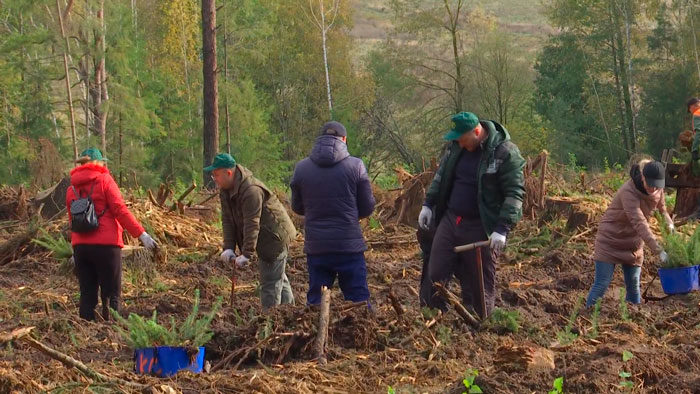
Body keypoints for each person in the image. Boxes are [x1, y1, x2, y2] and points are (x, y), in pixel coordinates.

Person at [418, 112, 525, 317]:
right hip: (451, 220)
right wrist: (428, 204)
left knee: (479, 282)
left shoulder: (505, 153)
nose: (459, 142)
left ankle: (478, 324)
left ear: (477, 132)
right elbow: (442, 176)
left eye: (462, 138)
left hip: (481, 225)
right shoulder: (457, 148)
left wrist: (502, 228)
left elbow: (515, 193)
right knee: (436, 272)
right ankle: (432, 319)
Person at [290, 121, 376, 305]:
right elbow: (368, 207)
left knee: (316, 302)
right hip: (349, 245)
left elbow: (297, 207)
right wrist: (352, 216)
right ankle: (362, 334)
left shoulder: (302, 168)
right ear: (344, 139)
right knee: (358, 301)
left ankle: (315, 332)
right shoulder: (356, 166)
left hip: (317, 247)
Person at [67, 148, 158, 321]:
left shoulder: (71, 187)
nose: (104, 164)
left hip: (81, 249)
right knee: (111, 294)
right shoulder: (105, 181)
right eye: (102, 162)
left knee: (87, 294)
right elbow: (120, 210)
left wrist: (74, 249)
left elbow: (72, 221)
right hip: (106, 247)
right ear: (97, 163)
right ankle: (113, 333)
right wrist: (142, 235)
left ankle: (86, 334)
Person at [206, 153, 297, 310]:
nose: (214, 178)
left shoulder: (251, 191)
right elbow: (228, 220)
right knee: (277, 277)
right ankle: (291, 315)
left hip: (274, 237)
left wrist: (247, 253)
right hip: (263, 237)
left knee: (270, 284)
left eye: (216, 174)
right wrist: (228, 247)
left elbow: (251, 223)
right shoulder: (225, 190)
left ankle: (271, 322)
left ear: (228, 173)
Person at [586, 160, 672, 307]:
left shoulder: (658, 188)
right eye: (650, 184)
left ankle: (633, 321)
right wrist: (658, 250)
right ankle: (588, 316)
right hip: (610, 240)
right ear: (642, 177)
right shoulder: (629, 191)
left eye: (656, 186)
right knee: (602, 284)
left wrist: (670, 226)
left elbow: (662, 210)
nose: (653, 189)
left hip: (633, 244)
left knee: (634, 286)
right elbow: (639, 222)